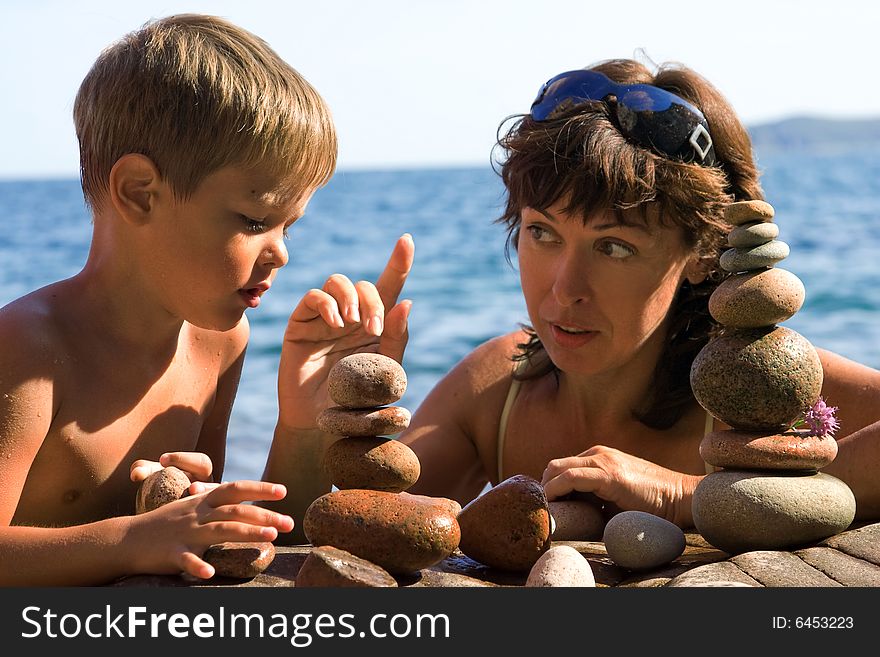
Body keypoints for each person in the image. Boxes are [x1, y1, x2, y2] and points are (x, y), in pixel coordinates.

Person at [268, 58, 880, 539]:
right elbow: (344, 527)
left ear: (700, 252)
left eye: (613, 246)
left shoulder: (760, 384)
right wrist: (308, 427)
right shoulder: (494, 390)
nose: (564, 289)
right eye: (542, 233)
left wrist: (686, 496)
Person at [0, 13, 353, 585]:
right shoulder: (29, 349)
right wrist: (133, 538)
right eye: (256, 220)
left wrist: (300, 423)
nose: (281, 253)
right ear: (140, 194)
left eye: (290, 228)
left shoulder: (218, 341)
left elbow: (272, 546)